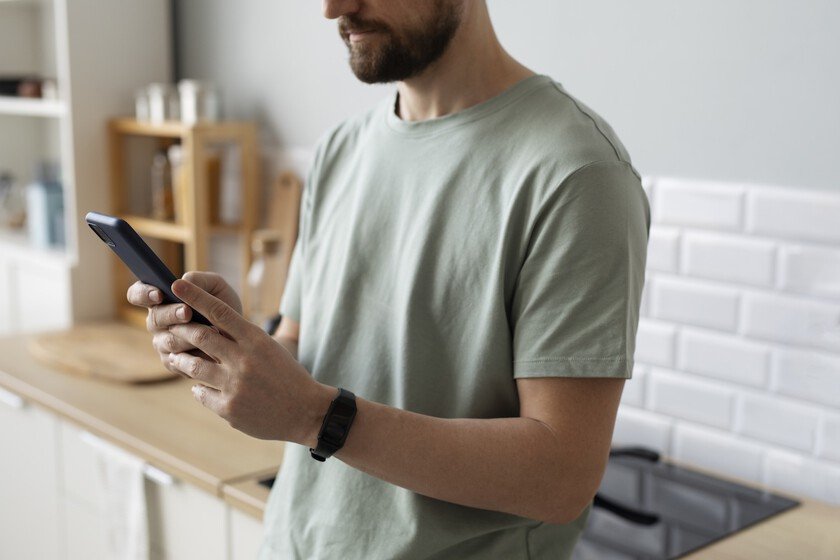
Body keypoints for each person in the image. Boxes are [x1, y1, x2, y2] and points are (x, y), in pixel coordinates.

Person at [128, 1, 650, 558]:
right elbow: (304, 356)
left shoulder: (577, 174)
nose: (334, 8)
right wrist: (236, 345)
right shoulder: (340, 152)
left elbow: (561, 476)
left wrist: (315, 416)